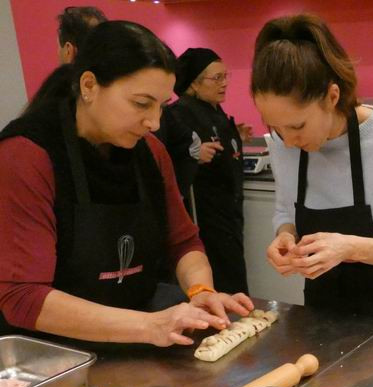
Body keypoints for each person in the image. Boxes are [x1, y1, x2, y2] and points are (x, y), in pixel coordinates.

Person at [0, 21, 253, 347]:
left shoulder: (151, 153)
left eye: (161, 106)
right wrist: (151, 327)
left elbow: (184, 243)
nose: (154, 122)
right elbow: (22, 297)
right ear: (89, 86)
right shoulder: (26, 155)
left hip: (132, 342)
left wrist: (200, 290)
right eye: (141, 103)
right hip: (50, 358)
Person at [251, 14, 373, 323]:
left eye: (297, 126)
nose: (287, 142)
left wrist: (349, 248)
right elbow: (286, 211)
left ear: (332, 96)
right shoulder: (283, 145)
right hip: (321, 316)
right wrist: (286, 234)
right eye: (275, 128)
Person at [166, 48, 251, 294]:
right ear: (193, 82)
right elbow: (168, 158)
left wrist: (237, 135)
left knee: (233, 274)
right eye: (216, 78)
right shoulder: (179, 113)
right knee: (220, 278)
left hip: (228, 210)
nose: (224, 84)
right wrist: (193, 155)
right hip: (204, 213)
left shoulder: (212, 108)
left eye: (226, 76)